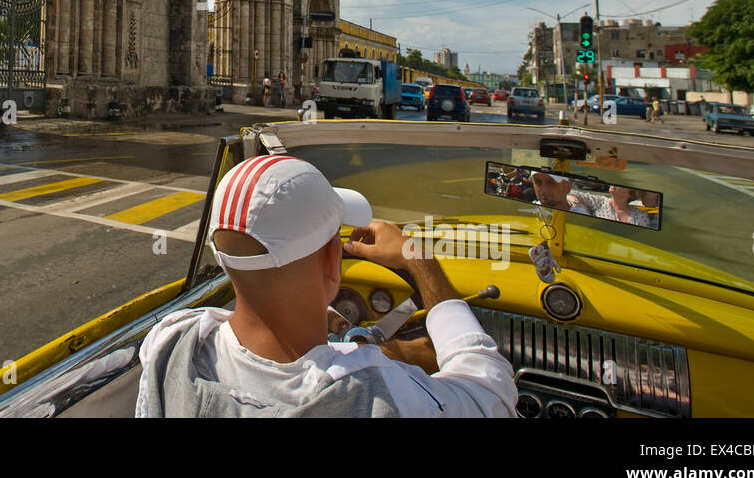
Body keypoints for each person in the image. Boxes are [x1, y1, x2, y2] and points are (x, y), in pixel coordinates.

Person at [135, 156, 518, 417]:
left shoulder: (170, 344)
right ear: (334, 261)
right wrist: (419, 261)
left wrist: (362, 344)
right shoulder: (377, 394)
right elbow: (494, 390)